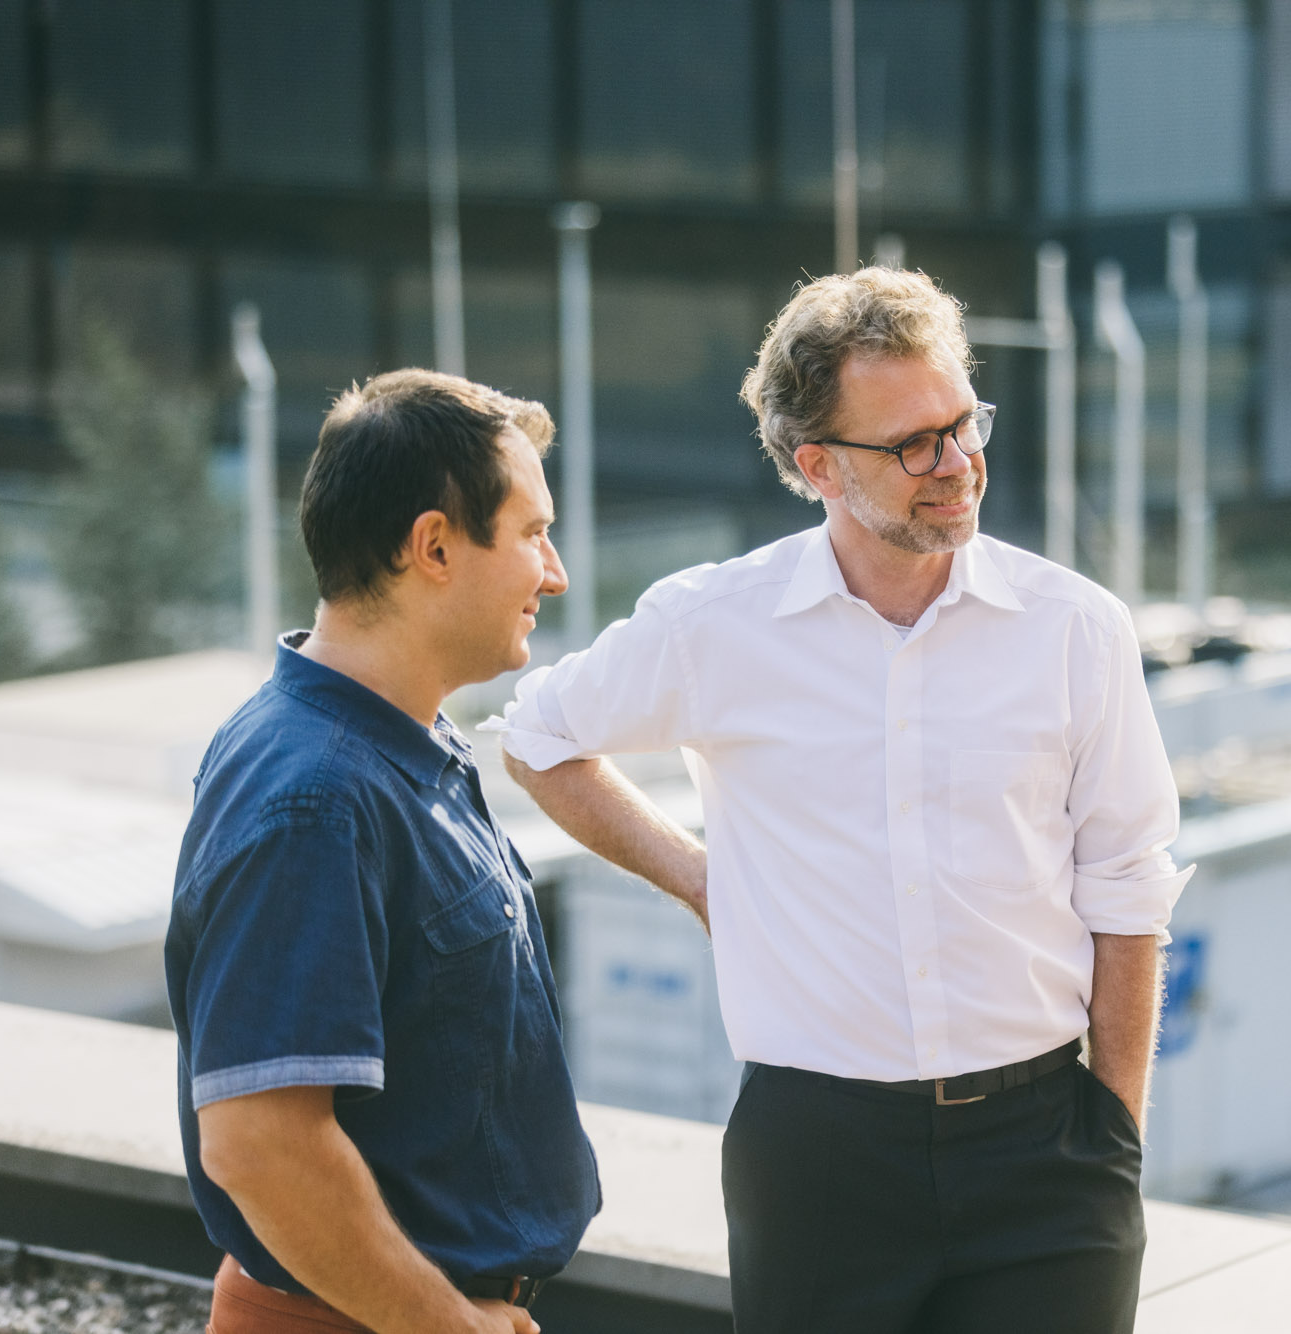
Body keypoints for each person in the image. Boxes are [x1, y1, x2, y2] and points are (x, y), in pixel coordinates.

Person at [487, 267, 1189, 1334]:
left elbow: (1128, 885)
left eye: (964, 423)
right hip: (817, 1155)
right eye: (913, 444)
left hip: (1047, 1153)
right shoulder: (715, 623)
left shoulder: (1075, 628)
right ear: (816, 463)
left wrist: (1115, 1131)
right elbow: (537, 738)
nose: (957, 463)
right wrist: (698, 878)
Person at [165, 370, 599, 1334]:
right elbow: (260, 1145)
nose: (556, 572)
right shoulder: (315, 799)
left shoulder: (396, 743)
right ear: (433, 546)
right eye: (532, 533)